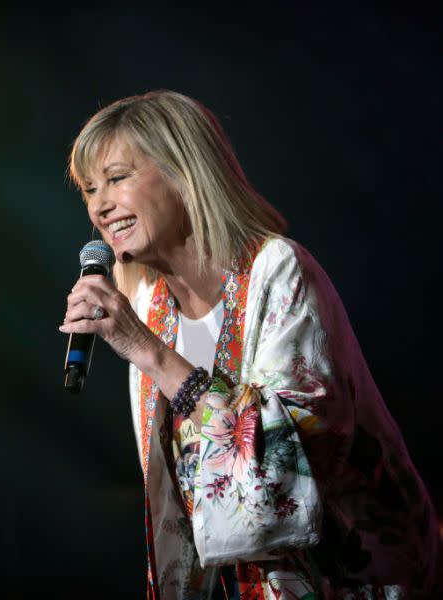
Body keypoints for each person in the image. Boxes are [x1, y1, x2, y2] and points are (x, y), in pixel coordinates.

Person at [58, 90, 442, 598]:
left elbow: (286, 470)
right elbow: (184, 502)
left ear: (184, 171)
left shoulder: (279, 272)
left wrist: (149, 353)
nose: (100, 206)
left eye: (117, 178)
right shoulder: (150, 307)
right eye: (89, 189)